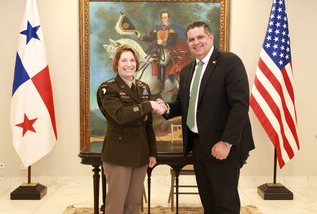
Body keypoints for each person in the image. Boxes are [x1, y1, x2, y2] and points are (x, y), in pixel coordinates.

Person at [159, 21, 255, 213]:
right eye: (191, 39)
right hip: (198, 146)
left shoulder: (229, 62)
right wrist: (165, 108)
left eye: (200, 37)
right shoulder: (187, 71)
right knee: (209, 203)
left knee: (225, 204)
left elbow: (240, 105)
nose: (196, 42)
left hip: (222, 147)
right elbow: (184, 105)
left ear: (211, 38)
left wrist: (226, 142)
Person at [96, 44, 165, 214]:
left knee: (134, 204)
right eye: (124, 60)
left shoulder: (143, 88)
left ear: (137, 63)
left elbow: (148, 124)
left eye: (132, 60)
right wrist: (147, 105)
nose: (129, 64)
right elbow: (120, 115)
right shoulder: (108, 88)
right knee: (116, 205)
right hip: (118, 154)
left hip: (140, 153)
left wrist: (152, 152)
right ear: (116, 64)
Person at [140, 11, 190, 93]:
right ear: (160, 18)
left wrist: (165, 42)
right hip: (156, 49)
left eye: (165, 17)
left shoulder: (172, 29)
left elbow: (173, 40)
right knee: (146, 59)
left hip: (167, 49)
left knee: (162, 62)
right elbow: (151, 38)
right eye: (162, 18)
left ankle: (161, 82)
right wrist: (143, 38)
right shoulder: (157, 28)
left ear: (169, 18)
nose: (164, 19)